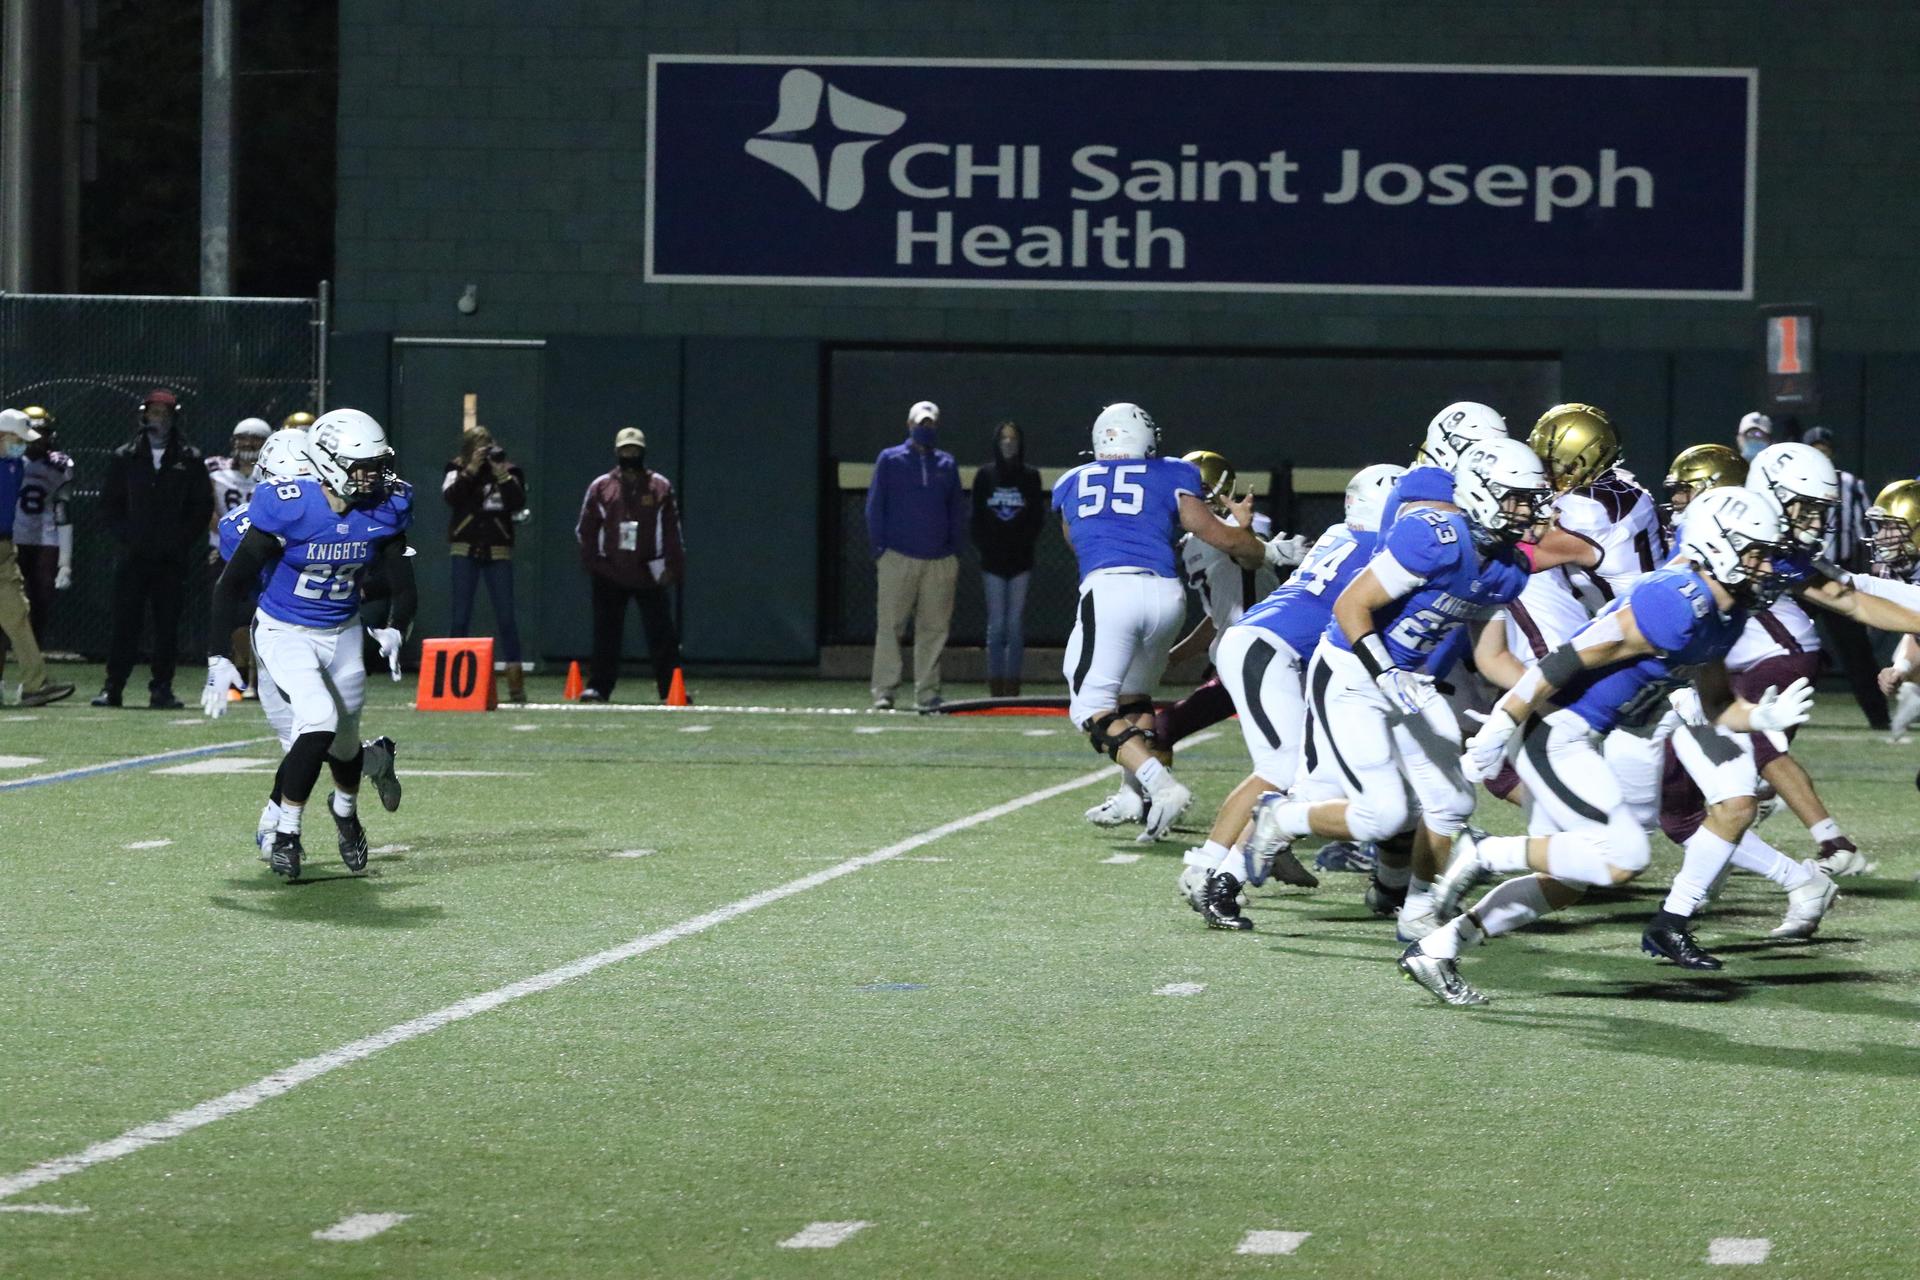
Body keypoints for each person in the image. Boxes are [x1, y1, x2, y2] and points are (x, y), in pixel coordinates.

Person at [1242, 433, 1547, 941]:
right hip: (1352, 671)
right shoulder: (1432, 537)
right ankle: (1282, 818)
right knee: (1384, 815)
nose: (1527, 512)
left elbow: (1491, 656)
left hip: (1410, 681)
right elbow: (1350, 607)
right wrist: (1386, 671)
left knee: (1452, 802)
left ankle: (1419, 909)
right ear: (1481, 493)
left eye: (1531, 500)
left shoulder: (1509, 569)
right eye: (1518, 498)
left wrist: (1539, 697)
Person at [1181, 463, 1403, 929]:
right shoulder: (1377, 549)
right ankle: (1206, 869)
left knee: (1303, 770)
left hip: (1270, 645)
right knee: (1280, 769)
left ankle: (1249, 855)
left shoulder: (1341, 533)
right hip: (1269, 648)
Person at [204, 408, 416, 881]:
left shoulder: (376, 507)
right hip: (281, 631)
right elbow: (234, 586)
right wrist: (219, 654)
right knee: (307, 731)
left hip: (340, 630)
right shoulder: (266, 515)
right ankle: (284, 826)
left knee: (333, 744)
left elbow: (393, 574)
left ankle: (350, 793)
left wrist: (395, 624)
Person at [1054, 402, 1268, 841]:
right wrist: (1249, 538)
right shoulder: (1173, 473)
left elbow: (1077, 541)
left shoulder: (1070, 482)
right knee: (1135, 698)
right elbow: (1218, 536)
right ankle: (1135, 795)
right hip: (1165, 596)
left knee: (1088, 706)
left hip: (1110, 589)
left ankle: (1160, 786)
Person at [93, 388, 214, 709]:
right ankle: (113, 686)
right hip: (133, 557)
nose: (156, 419)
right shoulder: (125, 456)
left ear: (174, 418)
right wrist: (128, 536)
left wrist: (179, 540)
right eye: (153, 413)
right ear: (143, 415)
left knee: (167, 626)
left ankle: (162, 688)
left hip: (171, 560)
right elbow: (109, 506)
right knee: (124, 623)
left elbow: (201, 508)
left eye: (163, 414)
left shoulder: (189, 459)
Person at [867, 400, 967, 711]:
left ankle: (928, 692)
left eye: (930, 424)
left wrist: (953, 550)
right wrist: (880, 549)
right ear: (909, 425)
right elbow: (875, 505)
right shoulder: (890, 459)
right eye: (920, 423)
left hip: (940, 560)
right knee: (891, 625)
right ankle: (884, 690)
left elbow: (956, 510)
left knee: (934, 629)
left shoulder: (946, 464)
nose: (925, 429)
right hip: (897, 556)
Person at [575, 427, 685, 704]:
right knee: (606, 633)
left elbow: (672, 530)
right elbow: (585, 529)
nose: (630, 454)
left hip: (650, 571)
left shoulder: (660, 486)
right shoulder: (601, 487)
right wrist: (594, 563)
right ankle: (599, 687)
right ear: (617, 452)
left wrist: (672, 565)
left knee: (662, 634)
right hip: (610, 570)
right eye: (625, 450)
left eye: (635, 450)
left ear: (643, 451)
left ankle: (671, 688)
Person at [1799, 425, 1889, 731]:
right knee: (1782, 640)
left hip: (1837, 575)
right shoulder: (1797, 482)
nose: (1821, 453)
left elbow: (1868, 529)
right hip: (1804, 576)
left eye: (1825, 448)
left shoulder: (1850, 484)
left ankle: (1880, 719)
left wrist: (1871, 567)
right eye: (1816, 448)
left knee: (1857, 653)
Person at [443, 425, 528, 702]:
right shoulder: (456, 469)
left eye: (487, 446)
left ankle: (516, 682)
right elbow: (451, 497)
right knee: (460, 617)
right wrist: (470, 470)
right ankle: (453, 682)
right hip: (465, 547)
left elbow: (517, 501)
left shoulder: (509, 471)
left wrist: (500, 472)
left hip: (498, 548)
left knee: (506, 617)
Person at [0, 409, 75, 706]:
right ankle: (35, 682)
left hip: (5, 548)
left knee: (17, 615)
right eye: (18, 439)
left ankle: (35, 683)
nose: (25, 446)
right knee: (16, 615)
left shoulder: (15, 465)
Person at [969, 420, 1044, 698]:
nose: (1008, 443)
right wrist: (987, 548)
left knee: (1014, 626)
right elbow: (976, 518)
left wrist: (1021, 546)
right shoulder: (985, 476)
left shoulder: (1030, 476)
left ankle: (1012, 684)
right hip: (992, 562)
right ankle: (995, 684)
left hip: (1021, 562)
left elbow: (1036, 518)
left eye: (1013, 438)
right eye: (1004, 438)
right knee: (996, 625)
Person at [206, 417, 272, 694]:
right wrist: (227, 537)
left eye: (255, 439)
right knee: (231, 614)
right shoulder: (214, 469)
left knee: (263, 616)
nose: (248, 444)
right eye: (243, 438)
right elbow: (207, 509)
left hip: (265, 551)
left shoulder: (276, 470)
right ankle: (239, 671)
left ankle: (259, 679)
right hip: (224, 549)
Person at [11, 406, 74, 646]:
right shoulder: (9, 458)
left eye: (43, 433)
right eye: (33, 433)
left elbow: (63, 511)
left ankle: (32, 665)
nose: (38, 440)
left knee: (39, 603)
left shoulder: (60, 464)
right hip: (12, 537)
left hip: (45, 539)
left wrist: (65, 563)